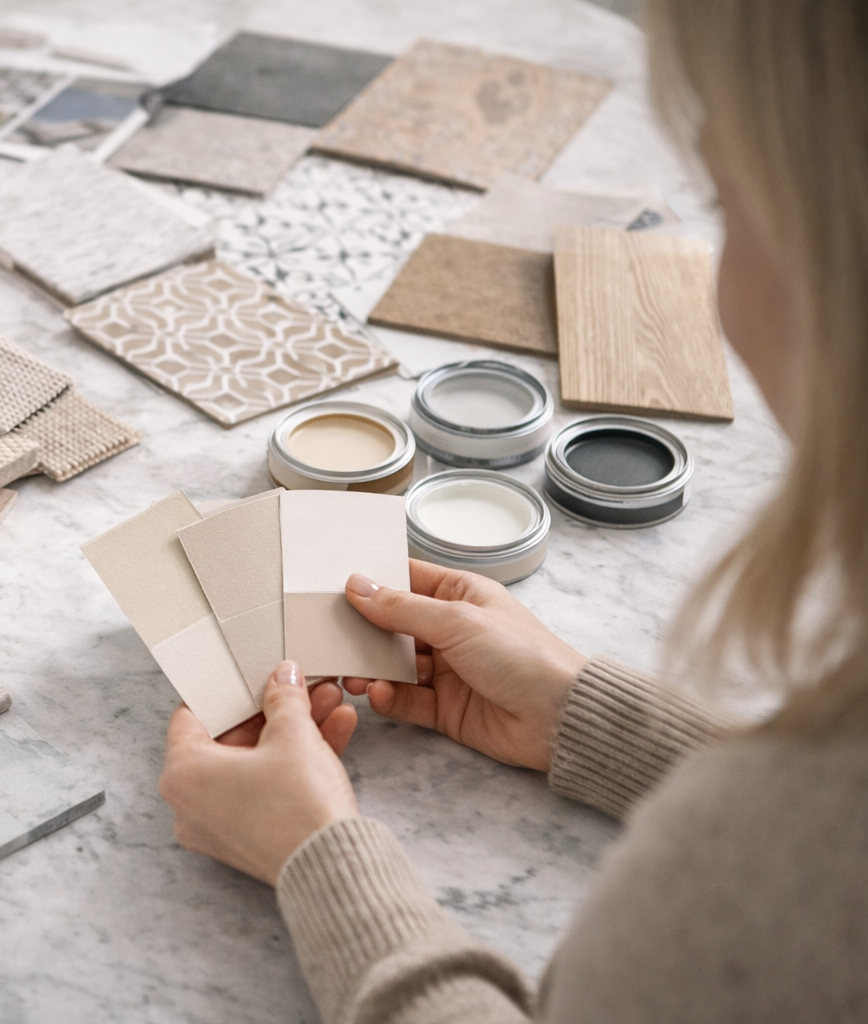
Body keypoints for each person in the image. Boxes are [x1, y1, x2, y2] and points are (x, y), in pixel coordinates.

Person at [158, 0, 868, 1019]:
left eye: (728, 202)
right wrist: (606, 723)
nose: (706, 294)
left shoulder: (735, 871)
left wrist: (318, 856)